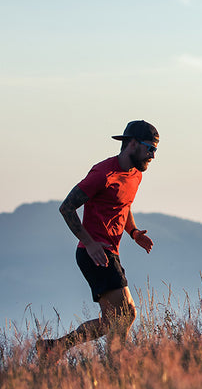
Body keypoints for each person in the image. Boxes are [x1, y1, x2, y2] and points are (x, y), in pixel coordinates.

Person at [36, 120, 159, 362]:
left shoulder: (135, 175)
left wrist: (134, 233)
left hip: (110, 252)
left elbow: (123, 205)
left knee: (114, 319)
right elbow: (66, 208)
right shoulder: (103, 174)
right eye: (150, 148)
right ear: (132, 144)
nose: (153, 155)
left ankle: (54, 348)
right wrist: (90, 243)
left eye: (155, 150)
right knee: (125, 315)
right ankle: (115, 365)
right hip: (94, 253)